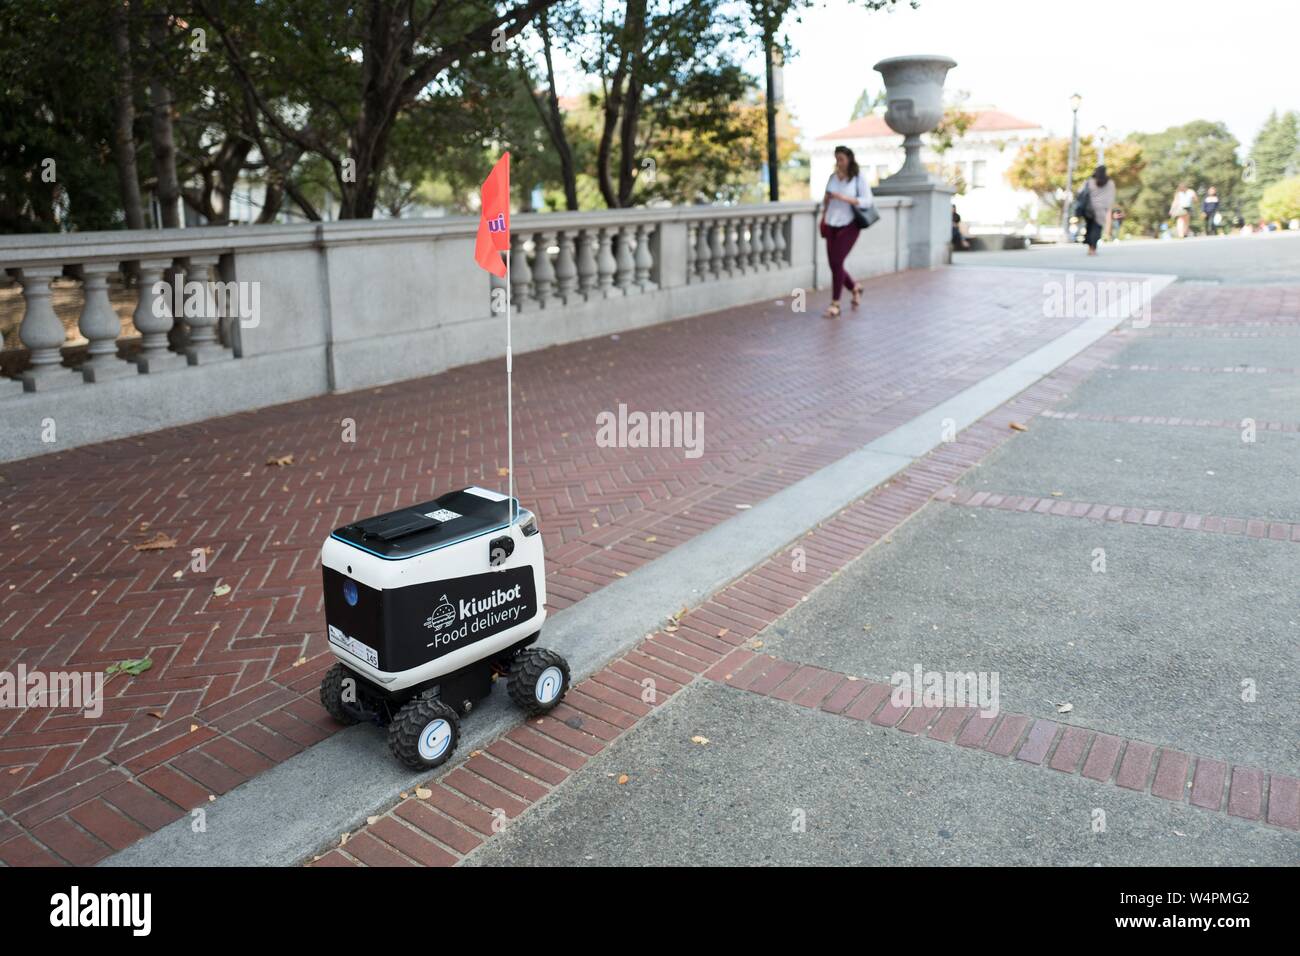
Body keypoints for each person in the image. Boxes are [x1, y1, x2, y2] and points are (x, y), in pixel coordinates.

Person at [820, 145, 874, 318]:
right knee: (834, 264)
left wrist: (843, 197)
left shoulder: (858, 178)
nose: (839, 162)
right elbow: (826, 200)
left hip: (850, 223)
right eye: (837, 159)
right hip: (831, 222)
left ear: (849, 159)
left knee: (836, 262)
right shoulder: (832, 178)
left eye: (841, 159)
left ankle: (835, 304)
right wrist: (826, 205)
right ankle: (855, 288)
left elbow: (867, 201)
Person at [1080, 165, 1116, 255]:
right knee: (1096, 229)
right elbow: (1111, 197)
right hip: (1101, 210)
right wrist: (1108, 207)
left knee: (1089, 227)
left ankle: (1090, 247)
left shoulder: (1090, 181)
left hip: (1089, 208)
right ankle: (1093, 248)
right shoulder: (1110, 183)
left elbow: (1080, 192)